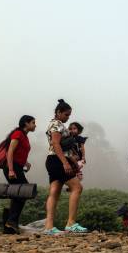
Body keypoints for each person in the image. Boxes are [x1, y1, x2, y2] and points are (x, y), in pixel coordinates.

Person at [44, 99, 88, 235]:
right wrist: (65, 162)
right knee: (77, 187)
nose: (68, 117)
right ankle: (71, 223)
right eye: (66, 115)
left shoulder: (56, 124)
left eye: (69, 115)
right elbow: (56, 144)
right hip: (58, 160)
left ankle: (49, 226)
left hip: (53, 160)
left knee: (55, 191)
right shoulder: (56, 125)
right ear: (58, 112)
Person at [2, 115, 36, 234]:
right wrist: (11, 169)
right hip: (12, 168)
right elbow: (10, 152)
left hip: (18, 167)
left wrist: (25, 162)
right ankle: (11, 221)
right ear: (26, 123)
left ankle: (10, 224)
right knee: (23, 191)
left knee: (17, 194)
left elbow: (18, 152)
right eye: (33, 122)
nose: (35, 125)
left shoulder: (24, 136)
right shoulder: (18, 134)